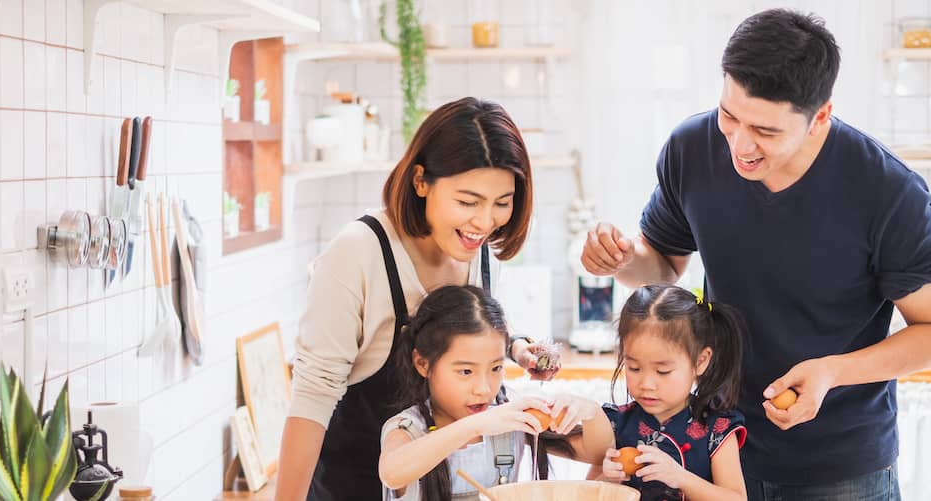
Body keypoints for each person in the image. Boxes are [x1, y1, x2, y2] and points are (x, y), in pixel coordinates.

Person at [580, 9, 931, 500]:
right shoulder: (691, 149)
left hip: (839, 465)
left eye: (765, 130)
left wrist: (832, 372)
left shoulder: (886, 191)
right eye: (729, 115)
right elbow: (663, 266)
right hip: (715, 449)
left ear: (819, 116)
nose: (739, 144)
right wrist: (622, 261)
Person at [276, 97, 560, 501]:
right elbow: (312, 396)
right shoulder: (359, 251)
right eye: (467, 201)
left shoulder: (478, 252)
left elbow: (462, 329)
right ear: (421, 181)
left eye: (502, 203)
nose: (484, 222)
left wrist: (514, 347)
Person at [379, 285, 614, 500]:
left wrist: (591, 412)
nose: (483, 388)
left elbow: (599, 456)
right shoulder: (408, 429)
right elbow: (392, 473)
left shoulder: (506, 424)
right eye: (465, 371)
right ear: (423, 364)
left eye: (496, 368)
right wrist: (477, 425)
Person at [589, 284, 748, 501]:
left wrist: (680, 478)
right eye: (634, 368)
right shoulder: (615, 424)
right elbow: (588, 492)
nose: (646, 383)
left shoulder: (716, 430)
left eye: (662, 371)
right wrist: (607, 480)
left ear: (700, 361)